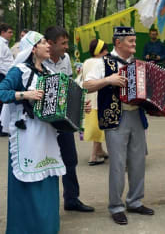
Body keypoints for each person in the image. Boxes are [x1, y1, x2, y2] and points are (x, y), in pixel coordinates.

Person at [83, 26, 154, 225]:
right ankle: (116, 206)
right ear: (118, 43)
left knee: (138, 160)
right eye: (130, 41)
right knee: (117, 164)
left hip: (137, 116)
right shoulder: (103, 63)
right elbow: (86, 84)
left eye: (134, 41)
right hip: (115, 117)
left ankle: (135, 201)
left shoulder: (138, 64)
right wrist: (108, 80)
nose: (134, 44)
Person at [0, 31, 67, 234]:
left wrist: (78, 107)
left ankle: (47, 228)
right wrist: (25, 94)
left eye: (48, 42)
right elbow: (2, 92)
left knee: (47, 179)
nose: (48, 46)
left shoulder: (48, 73)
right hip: (27, 134)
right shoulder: (19, 71)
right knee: (28, 182)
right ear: (33, 49)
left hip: (46, 134)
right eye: (43, 43)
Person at [43, 26, 94, 213]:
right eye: (63, 43)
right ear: (50, 43)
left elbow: (71, 87)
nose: (67, 47)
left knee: (70, 159)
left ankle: (72, 199)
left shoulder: (66, 60)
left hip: (63, 121)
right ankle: (47, 205)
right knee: (47, 162)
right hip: (44, 123)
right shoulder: (38, 61)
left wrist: (80, 106)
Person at [79, 39, 109, 165]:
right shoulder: (101, 62)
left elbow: (81, 79)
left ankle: (100, 150)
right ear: (100, 51)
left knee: (95, 126)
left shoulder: (86, 62)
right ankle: (93, 156)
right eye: (105, 50)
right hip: (99, 98)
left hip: (88, 100)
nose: (107, 52)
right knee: (99, 127)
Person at [0, 23, 14, 137]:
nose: (11, 34)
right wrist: (6, 75)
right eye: (9, 32)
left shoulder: (4, 44)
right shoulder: (0, 44)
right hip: (3, 75)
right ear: (2, 32)